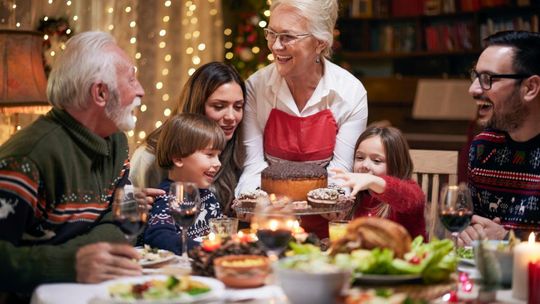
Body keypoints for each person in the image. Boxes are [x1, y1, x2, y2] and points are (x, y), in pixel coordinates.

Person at [0, 31, 164, 295]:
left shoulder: (117, 142)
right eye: (131, 79)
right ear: (100, 93)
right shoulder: (27, 158)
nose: (141, 91)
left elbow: (128, 220)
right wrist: (69, 263)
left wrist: (94, 249)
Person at [235, 0, 368, 233]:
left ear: (319, 42)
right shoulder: (256, 87)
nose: (276, 46)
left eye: (288, 36)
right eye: (271, 33)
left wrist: (332, 203)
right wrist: (254, 204)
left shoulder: (350, 92)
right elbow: (254, 165)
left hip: (329, 226)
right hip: (269, 224)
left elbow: (340, 171)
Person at [130, 62, 245, 215]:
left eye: (238, 107)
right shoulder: (149, 156)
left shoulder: (236, 149)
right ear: (196, 105)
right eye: (218, 106)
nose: (231, 117)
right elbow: (128, 213)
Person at [458, 31, 540, 245]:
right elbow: (474, 225)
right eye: (475, 77)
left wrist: (509, 239)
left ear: (530, 88)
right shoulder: (483, 147)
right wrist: (468, 233)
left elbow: (499, 237)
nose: (473, 89)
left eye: (487, 79)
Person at [144, 113, 225, 255]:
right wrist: (205, 250)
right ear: (178, 158)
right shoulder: (167, 198)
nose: (218, 163)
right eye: (210, 154)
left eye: (218, 155)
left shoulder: (208, 196)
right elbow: (158, 237)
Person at [332, 126, 426, 239]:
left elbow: (411, 199)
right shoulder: (354, 196)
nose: (365, 165)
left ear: (396, 164)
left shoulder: (409, 192)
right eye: (360, 158)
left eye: (376, 161)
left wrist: (373, 181)